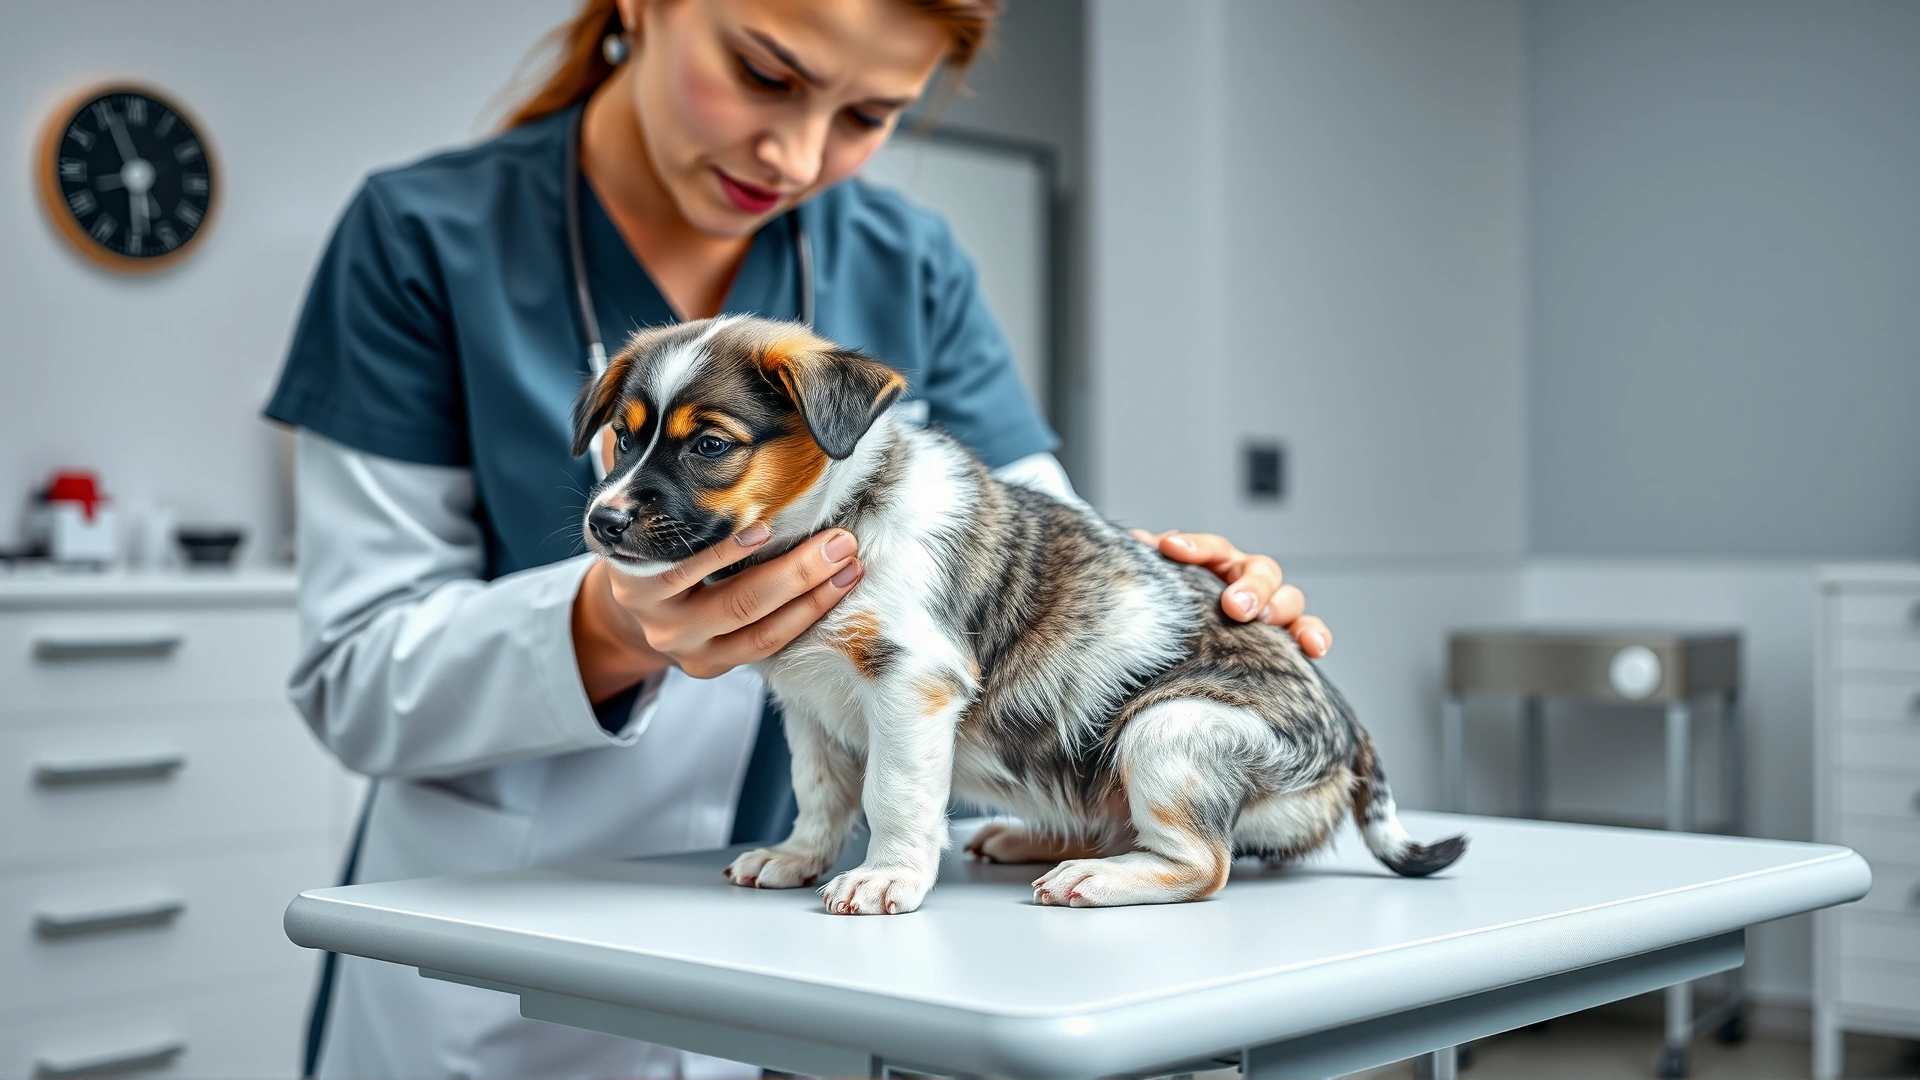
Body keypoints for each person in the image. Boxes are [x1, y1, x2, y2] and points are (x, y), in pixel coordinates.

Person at [264, 0, 1333, 1077]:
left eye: (868, 113)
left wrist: (1187, 605)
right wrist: (611, 625)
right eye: (765, 71)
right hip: (501, 948)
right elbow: (353, 677)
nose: (799, 154)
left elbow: (1026, 571)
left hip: (807, 952)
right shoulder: (420, 237)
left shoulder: (909, 260)